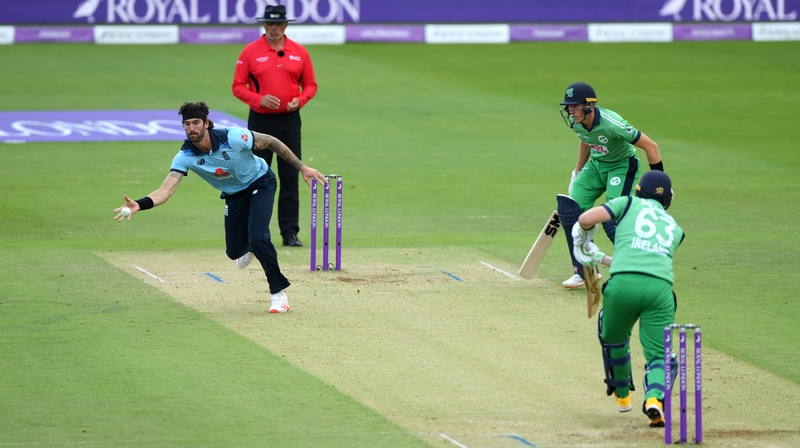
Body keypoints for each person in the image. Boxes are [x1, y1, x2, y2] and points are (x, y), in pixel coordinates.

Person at [113, 101, 327, 314]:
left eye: (196, 122)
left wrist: (302, 167)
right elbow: (164, 192)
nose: (191, 128)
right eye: (187, 124)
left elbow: (270, 141)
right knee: (234, 251)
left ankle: (278, 294)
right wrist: (138, 205)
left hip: (260, 182)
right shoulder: (185, 156)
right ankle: (250, 247)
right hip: (234, 195)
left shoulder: (232, 137)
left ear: (207, 124)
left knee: (259, 238)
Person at [571, 170, 684, 427]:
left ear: (638, 190)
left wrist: (584, 236)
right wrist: (600, 257)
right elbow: (645, 260)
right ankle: (655, 398)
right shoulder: (674, 227)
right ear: (668, 199)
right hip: (660, 290)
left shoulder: (628, 202)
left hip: (622, 287)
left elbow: (586, 217)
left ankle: (622, 395)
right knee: (659, 355)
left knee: (613, 338)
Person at [557, 82, 664, 289]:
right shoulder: (577, 121)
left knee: (611, 217)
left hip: (622, 166)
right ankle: (584, 269)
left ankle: (637, 269)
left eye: (574, 106)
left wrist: (661, 182)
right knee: (569, 210)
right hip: (597, 166)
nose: (570, 111)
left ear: (589, 105)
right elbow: (586, 140)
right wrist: (577, 172)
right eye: (568, 107)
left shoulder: (612, 123)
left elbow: (651, 146)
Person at [232, 4, 318, 248]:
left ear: (285, 25)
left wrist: (299, 100)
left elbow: (310, 84)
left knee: (291, 176)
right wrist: (259, 99)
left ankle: (289, 233)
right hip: (260, 121)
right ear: (263, 25)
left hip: (290, 121)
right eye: (270, 23)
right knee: (257, 176)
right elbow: (238, 86)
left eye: (278, 24)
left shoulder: (299, 52)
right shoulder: (250, 52)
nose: (274, 28)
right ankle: (255, 233)